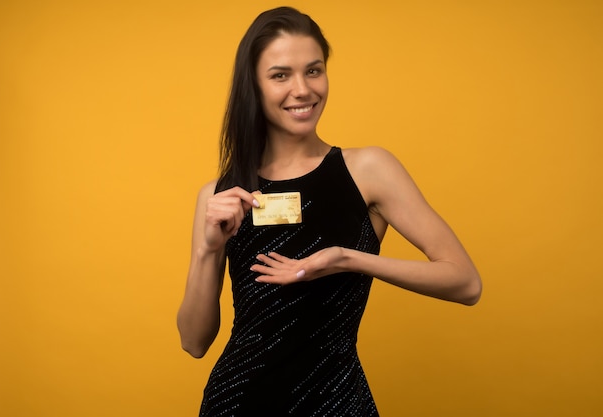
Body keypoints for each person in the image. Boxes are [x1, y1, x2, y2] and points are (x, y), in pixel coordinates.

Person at [177, 6, 481, 416]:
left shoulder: (369, 169)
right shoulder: (220, 196)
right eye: (280, 75)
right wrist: (208, 249)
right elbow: (194, 343)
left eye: (314, 70)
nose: (302, 89)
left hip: (337, 402)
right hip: (236, 403)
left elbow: (466, 283)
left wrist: (348, 259)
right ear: (253, 84)